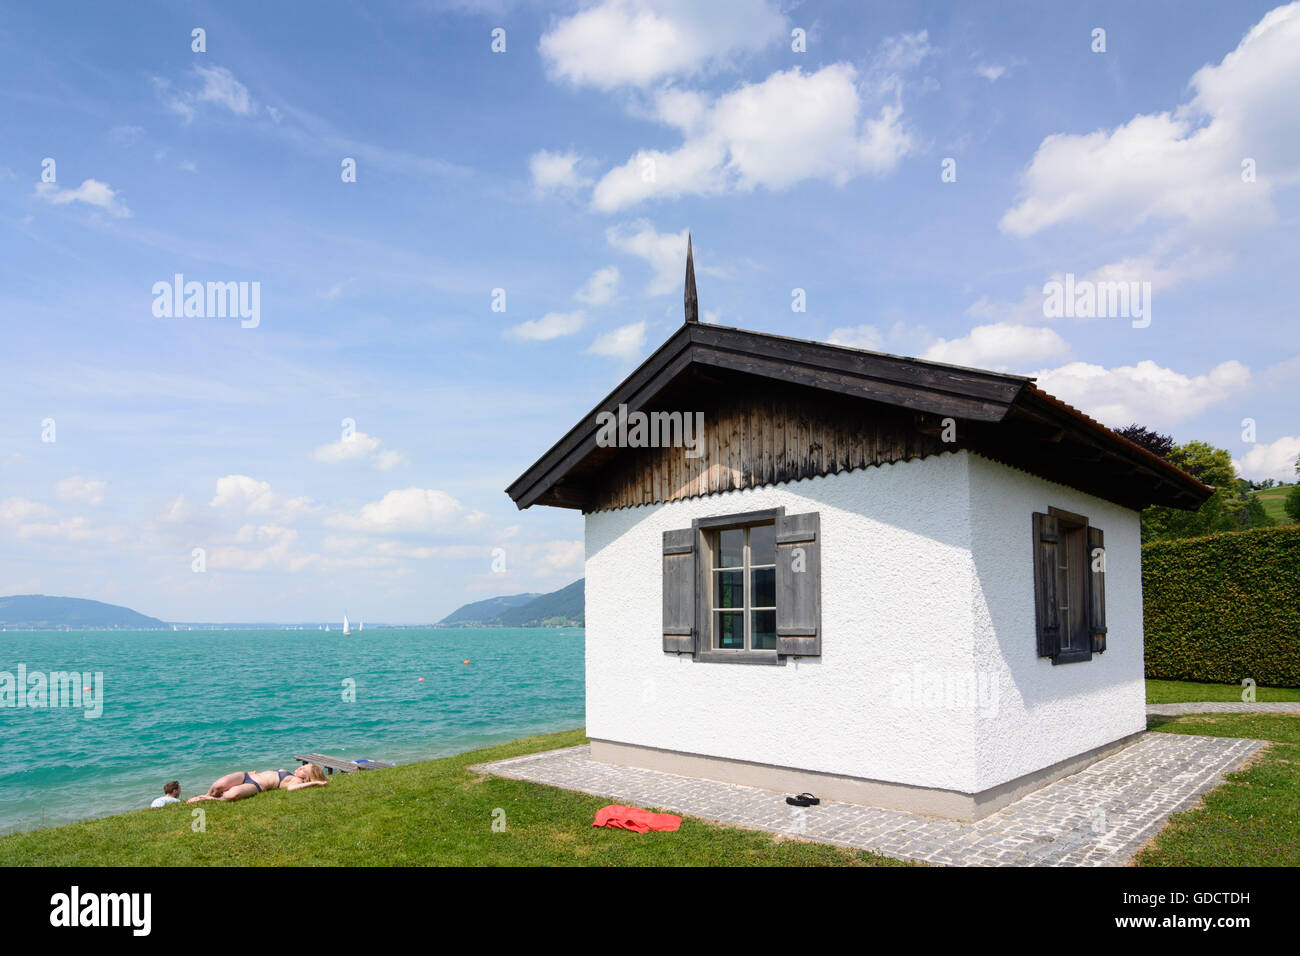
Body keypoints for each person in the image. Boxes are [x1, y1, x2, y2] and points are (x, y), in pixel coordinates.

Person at [187, 763, 328, 803]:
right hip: (248, 775)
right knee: (218, 785)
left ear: (307, 777)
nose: (300, 767)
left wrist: (315, 784)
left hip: (256, 786)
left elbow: (292, 789)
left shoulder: (295, 780)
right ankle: (206, 794)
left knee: (231, 796)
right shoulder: (290, 772)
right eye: (302, 766)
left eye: (304, 769)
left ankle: (207, 799)